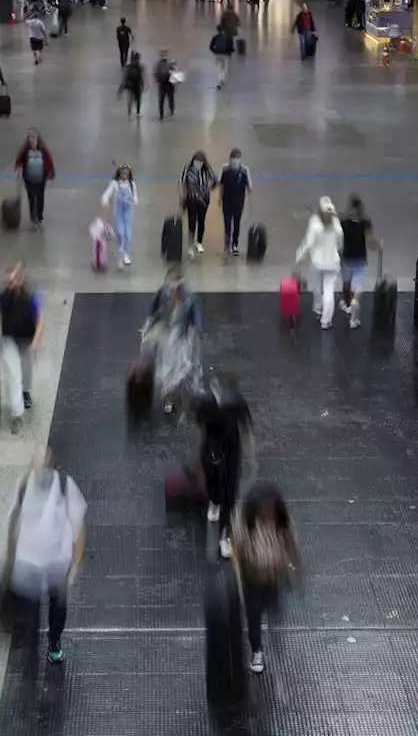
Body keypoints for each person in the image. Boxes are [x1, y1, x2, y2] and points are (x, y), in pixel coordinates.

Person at [5, 451, 87, 663]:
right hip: (28, 565)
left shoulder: (64, 486)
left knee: (57, 607)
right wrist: (11, 559)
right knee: (29, 611)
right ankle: (30, 649)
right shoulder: (22, 487)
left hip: (56, 563)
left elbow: (78, 527)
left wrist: (75, 565)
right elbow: (13, 525)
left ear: (50, 463)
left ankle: (54, 641)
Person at [231, 483, 300, 674]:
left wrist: (293, 570)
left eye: (272, 509)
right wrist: (238, 579)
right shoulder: (245, 524)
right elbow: (237, 551)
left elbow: (291, 547)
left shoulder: (283, 524)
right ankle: (257, 650)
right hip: (253, 577)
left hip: (275, 576)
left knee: (274, 606)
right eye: (265, 510)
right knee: (254, 616)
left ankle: (271, 614)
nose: (269, 514)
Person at [194, 373, 252, 561]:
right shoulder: (206, 404)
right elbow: (198, 428)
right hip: (211, 449)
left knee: (230, 491)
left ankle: (225, 535)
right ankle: (214, 500)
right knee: (214, 482)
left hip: (231, 450)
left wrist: (251, 456)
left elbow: (246, 428)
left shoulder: (237, 404)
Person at [0, 262, 44, 433]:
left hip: (26, 339)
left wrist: (36, 342)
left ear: (19, 280)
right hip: (9, 339)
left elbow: (40, 321)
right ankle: (16, 414)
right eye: (8, 281)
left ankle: (26, 392)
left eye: (12, 281)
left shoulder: (32, 296)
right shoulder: (2, 295)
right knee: (13, 374)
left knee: (26, 371)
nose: (9, 284)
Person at [144, 266, 204, 413]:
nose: (171, 286)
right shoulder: (163, 293)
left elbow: (196, 319)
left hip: (181, 338)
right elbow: (153, 310)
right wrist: (149, 327)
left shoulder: (190, 298)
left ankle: (178, 394)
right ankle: (168, 399)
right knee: (166, 371)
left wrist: (196, 332)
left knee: (180, 369)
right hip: (165, 337)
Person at [295, 196, 344, 330]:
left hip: (317, 262)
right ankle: (326, 321)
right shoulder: (337, 225)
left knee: (317, 286)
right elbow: (340, 243)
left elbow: (308, 243)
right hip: (332, 263)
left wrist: (299, 256)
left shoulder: (315, 224)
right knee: (329, 290)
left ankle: (318, 307)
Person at [339, 194, 380, 329]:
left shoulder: (343, 222)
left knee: (346, 283)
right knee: (358, 287)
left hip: (346, 258)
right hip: (360, 260)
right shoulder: (365, 223)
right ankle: (354, 318)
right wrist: (379, 246)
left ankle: (347, 304)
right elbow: (370, 243)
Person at [15, 129, 56, 227]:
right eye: (30, 137)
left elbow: (49, 161)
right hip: (29, 178)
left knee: (40, 197)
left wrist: (52, 173)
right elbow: (19, 160)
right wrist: (17, 168)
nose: (32, 140)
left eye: (34, 137)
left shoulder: (43, 150)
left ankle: (39, 216)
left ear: (38, 139)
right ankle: (33, 217)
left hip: (41, 178)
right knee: (31, 197)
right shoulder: (25, 151)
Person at [102, 164, 139, 267]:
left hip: (128, 211)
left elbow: (136, 198)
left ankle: (126, 253)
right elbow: (107, 193)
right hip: (119, 211)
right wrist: (105, 200)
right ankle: (120, 251)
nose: (124, 175)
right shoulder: (115, 183)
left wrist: (132, 200)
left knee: (128, 233)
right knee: (120, 232)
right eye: (123, 173)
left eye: (126, 174)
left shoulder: (132, 184)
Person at [180, 151, 216, 255]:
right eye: (197, 161)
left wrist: (209, 189)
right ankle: (190, 245)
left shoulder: (207, 170)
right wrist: (183, 195)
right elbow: (182, 182)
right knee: (192, 221)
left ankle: (199, 242)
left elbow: (215, 180)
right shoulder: (187, 168)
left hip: (204, 199)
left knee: (201, 221)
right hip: (191, 199)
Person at [218, 148, 252, 256]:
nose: (235, 160)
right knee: (228, 224)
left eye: (236, 158)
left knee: (236, 223)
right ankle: (228, 245)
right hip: (227, 201)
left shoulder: (244, 170)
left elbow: (249, 186)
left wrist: (250, 200)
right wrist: (219, 199)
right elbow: (221, 185)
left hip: (238, 202)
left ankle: (234, 244)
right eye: (233, 158)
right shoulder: (224, 169)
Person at [120, 51, 145, 119]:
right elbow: (125, 77)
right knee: (133, 101)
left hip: (134, 86)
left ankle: (135, 113)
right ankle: (133, 114)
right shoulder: (135, 67)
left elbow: (141, 77)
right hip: (132, 86)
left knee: (136, 100)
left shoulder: (136, 67)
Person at [154, 49, 177, 120]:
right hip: (168, 84)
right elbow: (174, 72)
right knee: (169, 98)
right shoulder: (169, 64)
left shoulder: (158, 65)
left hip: (163, 84)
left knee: (162, 99)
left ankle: (162, 114)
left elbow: (156, 74)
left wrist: (157, 80)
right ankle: (170, 111)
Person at [210, 24, 233, 88]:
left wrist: (214, 51)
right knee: (225, 68)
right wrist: (230, 52)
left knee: (218, 68)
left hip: (217, 54)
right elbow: (231, 47)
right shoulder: (228, 37)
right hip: (226, 55)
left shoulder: (215, 37)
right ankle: (222, 79)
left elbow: (211, 47)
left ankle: (220, 80)